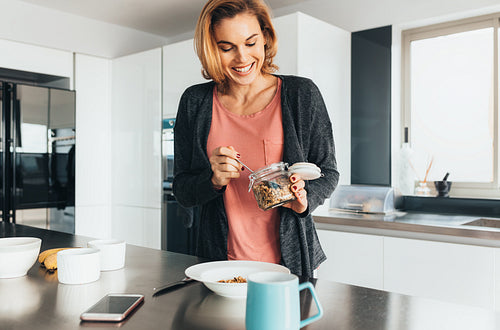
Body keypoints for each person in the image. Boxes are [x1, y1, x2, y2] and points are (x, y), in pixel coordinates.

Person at [173, 0, 339, 277]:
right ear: (211, 49)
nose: (242, 58)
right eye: (226, 48)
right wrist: (212, 180)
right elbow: (182, 190)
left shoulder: (301, 94)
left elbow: (328, 172)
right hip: (220, 263)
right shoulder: (195, 102)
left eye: (250, 43)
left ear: (265, 38)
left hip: (290, 264)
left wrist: (304, 200)